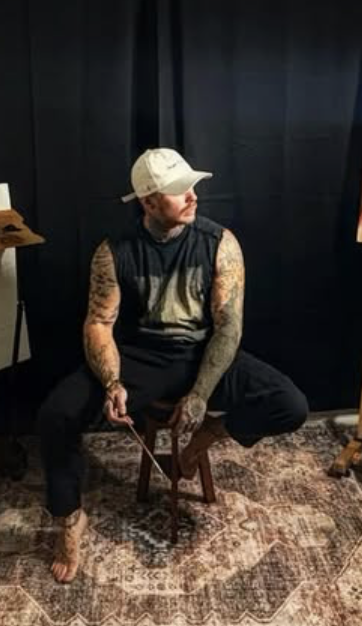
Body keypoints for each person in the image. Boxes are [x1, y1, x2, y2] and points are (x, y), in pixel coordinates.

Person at [36, 148, 309, 583]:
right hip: (144, 356)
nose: (192, 196)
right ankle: (69, 518)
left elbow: (228, 329)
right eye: (178, 190)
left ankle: (207, 438)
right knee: (56, 414)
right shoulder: (114, 251)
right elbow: (99, 322)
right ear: (148, 202)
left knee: (290, 405)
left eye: (192, 186)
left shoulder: (220, 243)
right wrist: (112, 383)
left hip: (205, 352)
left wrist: (201, 396)